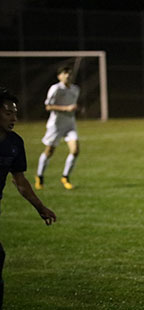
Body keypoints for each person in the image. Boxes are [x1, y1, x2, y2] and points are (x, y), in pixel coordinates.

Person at [0, 88, 57, 310]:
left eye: (15, 113)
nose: (14, 118)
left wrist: (40, 207)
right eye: (7, 113)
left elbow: (20, 181)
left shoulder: (14, 143)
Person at [35, 66, 80, 190]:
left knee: (75, 151)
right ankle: (40, 176)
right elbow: (48, 107)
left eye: (70, 73)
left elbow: (72, 105)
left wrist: (75, 109)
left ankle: (65, 177)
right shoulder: (55, 89)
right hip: (55, 125)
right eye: (65, 73)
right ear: (59, 76)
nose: (68, 75)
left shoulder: (76, 89)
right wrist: (66, 108)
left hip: (70, 124)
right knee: (49, 151)